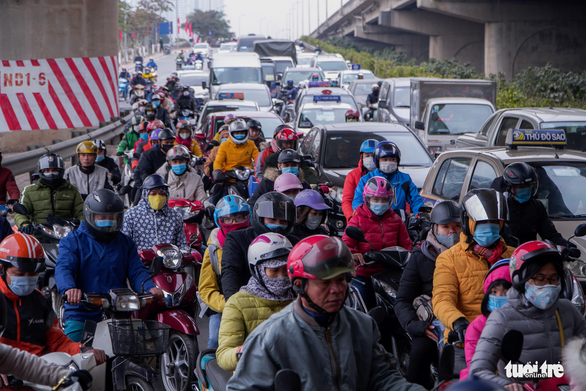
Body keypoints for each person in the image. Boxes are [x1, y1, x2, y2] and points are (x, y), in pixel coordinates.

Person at [226, 235, 426, 391]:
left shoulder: (363, 326)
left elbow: (384, 378)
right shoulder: (269, 338)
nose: (337, 289)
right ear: (299, 285)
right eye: (324, 282)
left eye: (341, 280)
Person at [470, 241, 586, 389]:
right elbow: (478, 371)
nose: (547, 285)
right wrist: (506, 386)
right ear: (521, 281)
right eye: (540, 279)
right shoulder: (502, 318)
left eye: (553, 279)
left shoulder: (568, 311)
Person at [55, 189, 163, 341]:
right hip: (82, 312)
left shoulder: (125, 243)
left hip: (119, 312)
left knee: (142, 351)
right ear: (89, 215)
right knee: (75, 357)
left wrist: (149, 287)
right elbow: (64, 267)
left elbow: (137, 270)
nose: (108, 221)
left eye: (113, 218)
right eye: (102, 217)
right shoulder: (73, 241)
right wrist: (69, 288)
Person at [432, 188, 515, 374]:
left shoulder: (514, 256)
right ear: (468, 223)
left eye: (494, 223)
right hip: (465, 341)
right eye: (483, 222)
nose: (489, 227)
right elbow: (441, 299)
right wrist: (458, 322)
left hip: (509, 340)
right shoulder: (449, 258)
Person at [0, 233, 106, 365]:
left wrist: (82, 350)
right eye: (19, 274)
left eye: (33, 274)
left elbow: (56, 341)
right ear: (2, 269)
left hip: (36, 375)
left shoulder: (40, 301)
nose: (26, 278)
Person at [395, 200, 462, 388]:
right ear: (434, 228)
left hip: (463, 319)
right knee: (420, 351)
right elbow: (402, 300)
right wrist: (416, 326)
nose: (452, 232)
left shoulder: (470, 254)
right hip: (431, 323)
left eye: (457, 226)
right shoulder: (420, 256)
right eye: (445, 227)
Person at [217, 233, 295, 371]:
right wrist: (244, 352)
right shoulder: (237, 303)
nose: (281, 277)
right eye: (274, 271)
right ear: (257, 270)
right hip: (253, 378)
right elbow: (223, 355)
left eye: (285, 270)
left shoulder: (299, 298)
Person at [343, 176, 413, 309]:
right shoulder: (357, 220)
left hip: (391, 275)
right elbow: (345, 246)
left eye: (384, 199)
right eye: (376, 199)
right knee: (365, 310)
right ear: (367, 199)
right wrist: (354, 254)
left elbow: (406, 245)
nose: (380, 203)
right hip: (365, 276)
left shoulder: (396, 220)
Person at [221, 192, 299, 300]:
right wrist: (234, 304)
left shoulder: (294, 243)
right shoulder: (237, 239)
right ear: (260, 219)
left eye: (283, 221)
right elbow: (230, 272)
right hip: (249, 302)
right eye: (272, 220)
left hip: (287, 302)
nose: (277, 224)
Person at [199, 196, 252, 349]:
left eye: (238, 217)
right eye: (227, 219)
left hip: (255, 303)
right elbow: (206, 289)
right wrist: (229, 305)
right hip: (224, 305)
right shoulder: (213, 249)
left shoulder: (257, 241)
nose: (234, 222)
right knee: (215, 342)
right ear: (219, 221)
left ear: (247, 217)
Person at [494, 162, 575, 248]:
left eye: (529, 186)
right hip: (505, 257)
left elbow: (550, 235)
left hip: (530, 256)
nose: (526, 190)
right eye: (521, 187)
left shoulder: (537, 207)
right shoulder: (499, 207)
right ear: (509, 187)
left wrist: (567, 246)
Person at [460, 259, 511, 380]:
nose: (499, 297)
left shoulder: (525, 322)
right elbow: (476, 368)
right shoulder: (476, 327)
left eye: (506, 292)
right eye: (494, 291)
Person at [14, 153, 84, 234]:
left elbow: (81, 212)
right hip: (39, 236)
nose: (51, 173)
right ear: (41, 172)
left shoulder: (72, 189)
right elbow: (20, 213)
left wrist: (83, 226)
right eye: (47, 170)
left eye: (54, 170)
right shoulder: (29, 191)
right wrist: (24, 223)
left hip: (66, 235)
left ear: (61, 170)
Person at [122, 174, 190, 252]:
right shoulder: (131, 215)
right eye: (153, 194)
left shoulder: (175, 217)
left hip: (169, 261)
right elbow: (124, 245)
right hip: (140, 262)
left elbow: (182, 245)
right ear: (145, 194)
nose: (158, 197)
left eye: (162, 194)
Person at [353, 141, 424, 214]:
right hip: (372, 221)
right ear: (377, 161)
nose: (389, 162)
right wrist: (363, 215)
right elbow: (358, 201)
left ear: (397, 161)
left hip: (397, 222)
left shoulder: (405, 179)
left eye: (392, 159)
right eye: (385, 159)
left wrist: (421, 214)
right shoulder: (366, 179)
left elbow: (415, 200)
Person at [212, 119, 259, 203]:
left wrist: (262, 167)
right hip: (230, 179)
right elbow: (218, 161)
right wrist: (217, 171)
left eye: (242, 133)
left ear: (246, 133)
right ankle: (212, 210)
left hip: (248, 178)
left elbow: (258, 158)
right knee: (215, 196)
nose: (239, 135)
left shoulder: (251, 144)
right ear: (231, 133)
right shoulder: (224, 145)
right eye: (237, 133)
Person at [134, 128, 176, 200]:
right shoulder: (148, 155)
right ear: (160, 142)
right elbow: (142, 173)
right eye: (166, 142)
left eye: (171, 142)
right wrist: (150, 188)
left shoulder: (176, 155)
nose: (169, 145)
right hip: (150, 190)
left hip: (173, 190)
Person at [342, 139, 377, 221]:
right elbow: (347, 201)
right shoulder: (353, 176)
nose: (370, 158)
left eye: (373, 155)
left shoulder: (386, 175)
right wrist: (352, 218)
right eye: (367, 155)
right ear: (362, 157)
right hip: (359, 220)